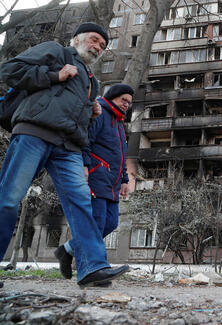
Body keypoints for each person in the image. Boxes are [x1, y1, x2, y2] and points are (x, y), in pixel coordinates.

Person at [0, 23, 129, 288]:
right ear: (77, 39)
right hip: (35, 132)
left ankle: (92, 267)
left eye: (102, 46)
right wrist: (53, 75)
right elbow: (9, 70)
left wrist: (89, 119)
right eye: (94, 40)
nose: (97, 48)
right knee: (9, 198)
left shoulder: (93, 82)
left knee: (82, 204)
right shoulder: (55, 52)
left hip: (69, 146)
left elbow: (80, 124)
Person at [55, 84, 133, 280]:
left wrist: (124, 179)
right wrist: (85, 165)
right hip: (96, 176)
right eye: (124, 100)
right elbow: (86, 141)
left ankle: (67, 250)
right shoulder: (99, 113)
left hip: (112, 183)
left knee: (111, 223)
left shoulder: (119, 123)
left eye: (130, 103)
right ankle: (94, 269)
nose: (127, 105)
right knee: (96, 223)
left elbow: (121, 156)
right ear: (113, 97)